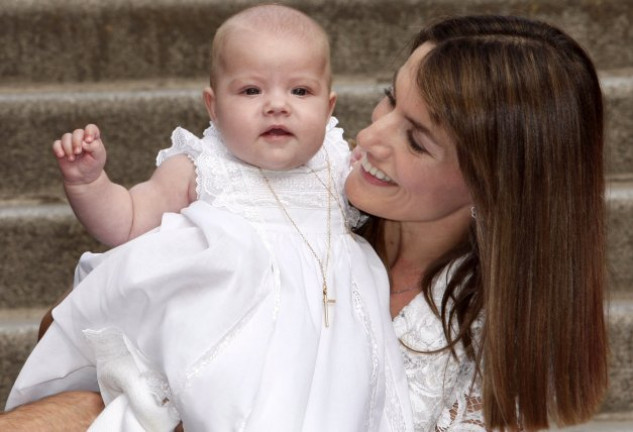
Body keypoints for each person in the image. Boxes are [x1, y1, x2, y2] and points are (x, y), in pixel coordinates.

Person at [2, 13, 608, 432]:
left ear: (495, 187)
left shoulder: (486, 337)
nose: (369, 138)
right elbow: (78, 322)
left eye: (416, 140)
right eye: (390, 99)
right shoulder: (296, 187)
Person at [4, 4, 412, 432]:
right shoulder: (201, 165)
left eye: (300, 91)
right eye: (251, 91)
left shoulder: (339, 163)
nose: (277, 105)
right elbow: (126, 222)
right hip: (221, 335)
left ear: (329, 106)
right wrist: (89, 183)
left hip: (326, 340)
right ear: (213, 107)